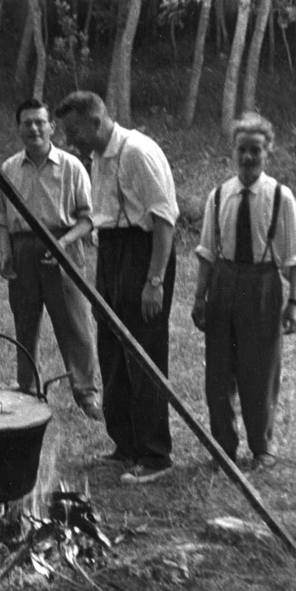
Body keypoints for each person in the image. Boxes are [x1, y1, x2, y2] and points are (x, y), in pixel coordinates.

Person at [55, 91, 178, 485]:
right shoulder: (96, 157)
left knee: (143, 353)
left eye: (74, 131)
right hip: (110, 251)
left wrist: (154, 281)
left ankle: (155, 455)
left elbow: (164, 220)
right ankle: (124, 446)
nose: (69, 141)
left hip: (141, 254)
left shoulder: (138, 152)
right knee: (111, 349)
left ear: (97, 121)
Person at [192, 112, 296, 471]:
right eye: (242, 149)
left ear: (267, 152)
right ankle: (223, 448)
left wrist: (295, 302)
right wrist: (200, 297)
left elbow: (295, 256)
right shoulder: (218, 196)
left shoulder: (280, 197)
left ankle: (262, 447)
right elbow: (208, 252)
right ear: (233, 151)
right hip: (223, 285)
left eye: (255, 150)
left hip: (263, 285)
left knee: (260, 371)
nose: (247, 157)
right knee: (218, 373)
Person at [0, 99, 102, 420]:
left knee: (74, 323)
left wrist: (63, 243)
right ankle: (27, 388)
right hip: (23, 249)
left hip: (63, 247)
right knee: (25, 322)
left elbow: (88, 218)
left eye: (40, 122)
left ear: (51, 127)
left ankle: (86, 392)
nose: (34, 129)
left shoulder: (71, 166)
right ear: (18, 128)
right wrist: (6, 252)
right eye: (27, 123)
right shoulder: (10, 168)